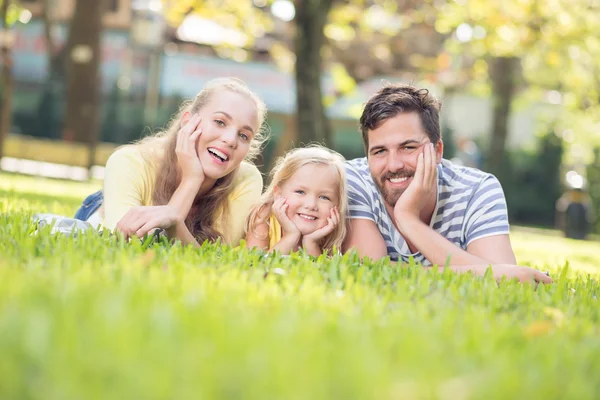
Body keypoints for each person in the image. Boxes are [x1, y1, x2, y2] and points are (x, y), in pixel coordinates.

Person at [343, 83, 552, 284]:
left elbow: (506, 284)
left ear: (438, 151)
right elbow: (367, 268)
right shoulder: (354, 180)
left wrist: (408, 219)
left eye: (408, 147)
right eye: (379, 151)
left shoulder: (477, 190)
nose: (394, 165)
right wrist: (486, 273)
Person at [74, 77, 268, 246]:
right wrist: (192, 180)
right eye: (220, 122)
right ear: (187, 121)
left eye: (243, 135)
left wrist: (173, 221)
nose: (231, 140)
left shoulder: (246, 179)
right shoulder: (129, 162)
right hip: (100, 212)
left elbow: (216, 257)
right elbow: (125, 244)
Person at [245, 146, 347, 257]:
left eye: (324, 197)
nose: (311, 205)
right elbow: (254, 267)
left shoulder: (329, 233)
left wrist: (311, 243)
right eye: (300, 192)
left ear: (337, 205)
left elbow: (321, 273)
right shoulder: (263, 217)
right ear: (278, 194)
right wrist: (290, 236)